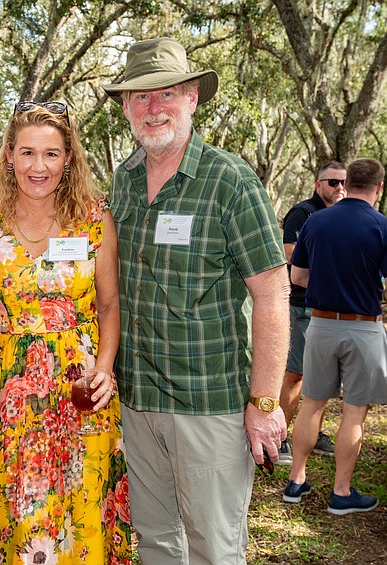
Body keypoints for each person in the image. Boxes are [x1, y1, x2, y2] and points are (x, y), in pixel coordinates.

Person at [103, 37, 289, 564]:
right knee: (158, 543)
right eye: (140, 97)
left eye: (166, 94)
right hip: (138, 404)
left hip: (210, 408)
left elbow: (273, 294)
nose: (153, 108)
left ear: (192, 98)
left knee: (214, 548)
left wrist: (265, 402)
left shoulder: (229, 181)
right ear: (125, 107)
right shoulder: (123, 183)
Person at [0, 102, 132, 563]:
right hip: (5, 391)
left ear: (68, 159)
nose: (39, 166)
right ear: (8, 157)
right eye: (28, 153)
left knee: (79, 510)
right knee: (12, 506)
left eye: (52, 154)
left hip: (80, 388)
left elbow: (110, 304)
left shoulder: (96, 220)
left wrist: (105, 368)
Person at [285, 158, 387, 515]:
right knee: (354, 411)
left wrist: (329, 283)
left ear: (347, 184)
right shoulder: (381, 226)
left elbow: (297, 276)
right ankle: (341, 493)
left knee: (312, 403)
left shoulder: (316, 221)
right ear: (378, 187)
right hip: (363, 326)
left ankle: (296, 481)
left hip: (320, 324)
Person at [278, 162, 346, 464]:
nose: (339, 188)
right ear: (318, 184)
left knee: (321, 377)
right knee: (295, 374)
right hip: (302, 305)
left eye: (344, 182)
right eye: (333, 182)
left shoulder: (343, 216)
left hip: (332, 308)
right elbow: (289, 253)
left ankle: (312, 432)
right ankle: (278, 436)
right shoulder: (304, 212)